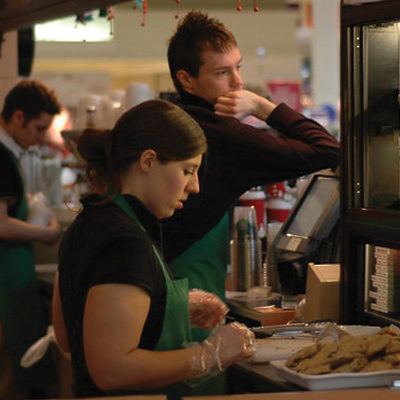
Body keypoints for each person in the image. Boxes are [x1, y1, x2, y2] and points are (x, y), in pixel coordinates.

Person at [52, 99, 255, 400]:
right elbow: (111, 370)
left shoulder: (91, 220)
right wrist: (210, 353)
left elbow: (70, 334)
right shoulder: (124, 241)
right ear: (147, 161)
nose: (195, 186)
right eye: (188, 170)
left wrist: (163, 308)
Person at [164, 10, 341, 309]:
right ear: (187, 80)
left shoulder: (169, 117)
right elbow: (328, 149)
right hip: (187, 305)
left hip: (161, 291)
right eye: (222, 73)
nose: (238, 82)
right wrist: (262, 106)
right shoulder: (226, 136)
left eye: (238, 68)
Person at [0, 79, 62, 396]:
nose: (38, 140)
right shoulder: (2, 156)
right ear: (18, 117)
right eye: (38, 129)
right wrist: (47, 233)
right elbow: (1, 225)